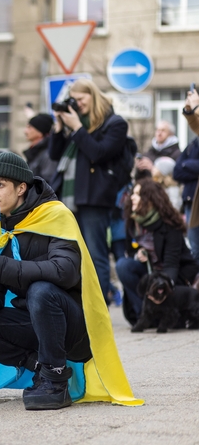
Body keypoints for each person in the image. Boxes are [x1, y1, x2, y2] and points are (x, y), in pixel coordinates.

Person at [0, 153, 142, 410]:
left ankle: (55, 378)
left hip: (72, 326)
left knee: (41, 290)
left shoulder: (54, 214)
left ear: (21, 188)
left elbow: (66, 271)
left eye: (0, 184)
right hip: (30, 321)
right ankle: (37, 366)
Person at [49, 78, 129, 305]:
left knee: (95, 255)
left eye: (81, 99)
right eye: (74, 100)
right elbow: (55, 155)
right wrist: (59, 126)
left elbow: (99, 153)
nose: (78, 104)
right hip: (69, 197)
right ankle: (77, 306)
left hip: (95, 197)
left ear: (93, 97)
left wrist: (76, 128)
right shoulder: (76, 125)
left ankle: (98, 307)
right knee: (70, 255)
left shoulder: (114, 123)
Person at [115, 178, 199, 324]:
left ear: (150, 199)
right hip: (149, 273)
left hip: (174, 275)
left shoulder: (169, 225)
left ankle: (164, 313)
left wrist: (162, 286)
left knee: (161, 280)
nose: (132, 197)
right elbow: (130, 250)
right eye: (133, 193)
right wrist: (138, 253)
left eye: (138, 194)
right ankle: (144, 314)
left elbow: (171, 264)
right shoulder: (133, 221)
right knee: (123, 265)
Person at [174, 137, 199, 260]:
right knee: (194, 248)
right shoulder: (192, 145)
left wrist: (187, 164)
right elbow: (176, 171)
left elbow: (182, 166)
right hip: (190, 202)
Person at [23, 113, 57, 183]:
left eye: (29, 127)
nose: (25, 131)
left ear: (40, 132)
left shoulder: (48, 154)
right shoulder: (34, 153)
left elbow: (47, 184)